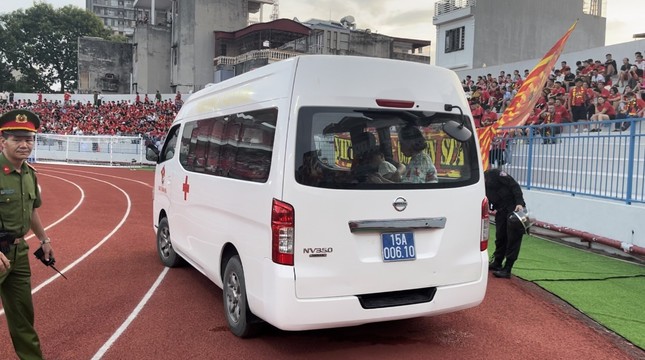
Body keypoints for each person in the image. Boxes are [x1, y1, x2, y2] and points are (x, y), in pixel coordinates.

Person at [0, 109, 55, 359]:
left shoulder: (29, 174)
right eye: (17, 139)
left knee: (23, 317)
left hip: (18, 253)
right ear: (3, 141)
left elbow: (32, 211)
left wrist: (44, 240)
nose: (24, 144)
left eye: (29, 139)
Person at [484, 168, 526, 279]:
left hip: (514, 208)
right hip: (501, 210)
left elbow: (514, 185)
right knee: (500, 236)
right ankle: (497, 262)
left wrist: (519, 203)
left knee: (513, 239)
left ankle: (507, 268)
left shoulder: (494, 174)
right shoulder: (480, 185)